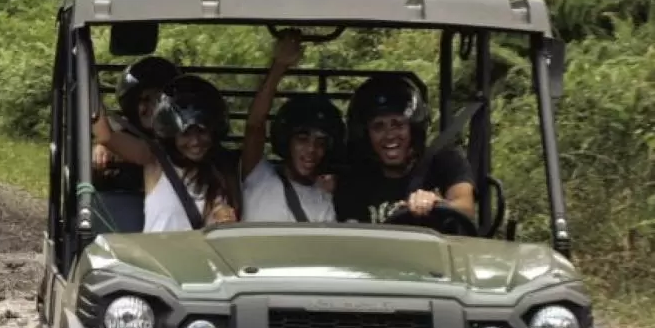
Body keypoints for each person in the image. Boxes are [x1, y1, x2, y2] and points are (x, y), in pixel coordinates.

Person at [92, 73, 241, 231]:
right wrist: (87, 76)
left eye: (202, 132)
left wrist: (223, 220)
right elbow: (106, 136)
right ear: (172, 133)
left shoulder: (222, 172)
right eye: (186, 134)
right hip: (158, 255)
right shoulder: (155, 159)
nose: (195, 141)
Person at [334, 75, 476, 225]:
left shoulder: (445, 161)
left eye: (398, 125)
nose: (389, 135)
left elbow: (466, 208)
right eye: (378, 127)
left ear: (413, 129)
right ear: (366, 135)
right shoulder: (356, 178)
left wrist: (436, 203)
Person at [239, 31, 344, 223]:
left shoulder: (323, 202)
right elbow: (255, 124)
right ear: (287, 139)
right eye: (302, 139)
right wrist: (279, 66)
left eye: (320, 143)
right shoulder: (259, 176)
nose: (311, 149)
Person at [92, 56, 179, 191]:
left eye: (160, 100)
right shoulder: (119, 130)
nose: (153, 107)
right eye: (145, 99)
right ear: (132, 104)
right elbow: (107, 137)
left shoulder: (183, 139)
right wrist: (103, 148)